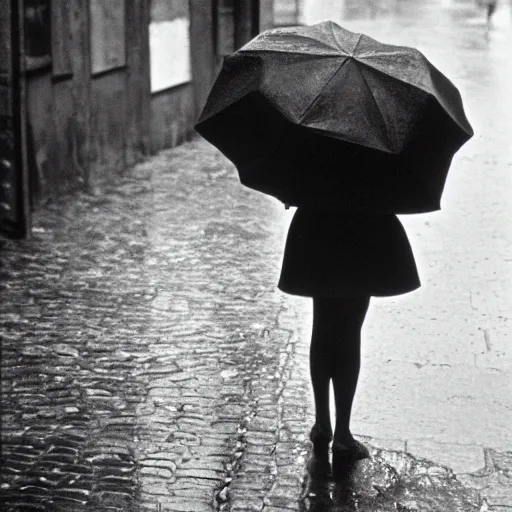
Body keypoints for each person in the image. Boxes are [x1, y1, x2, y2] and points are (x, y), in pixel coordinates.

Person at [278, 206, 420, 477]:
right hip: (364, 220)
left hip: (319, 219)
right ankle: (342, 433)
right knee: (349, 329)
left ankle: (322, 424)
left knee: (323, 325)